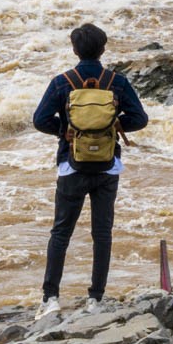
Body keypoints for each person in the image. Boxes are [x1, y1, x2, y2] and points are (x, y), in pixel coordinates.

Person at [31, 22, 149, 316]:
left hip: (72, 166)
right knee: (102, 234)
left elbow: (39, 119)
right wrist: (116, 124)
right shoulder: (116, 82)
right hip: (107, 167)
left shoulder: (62, 81)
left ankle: (50, 300)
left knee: (61, 233)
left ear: (74, 49)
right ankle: (95, 300)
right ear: (103, 49)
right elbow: (140, 119)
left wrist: (65, 131)